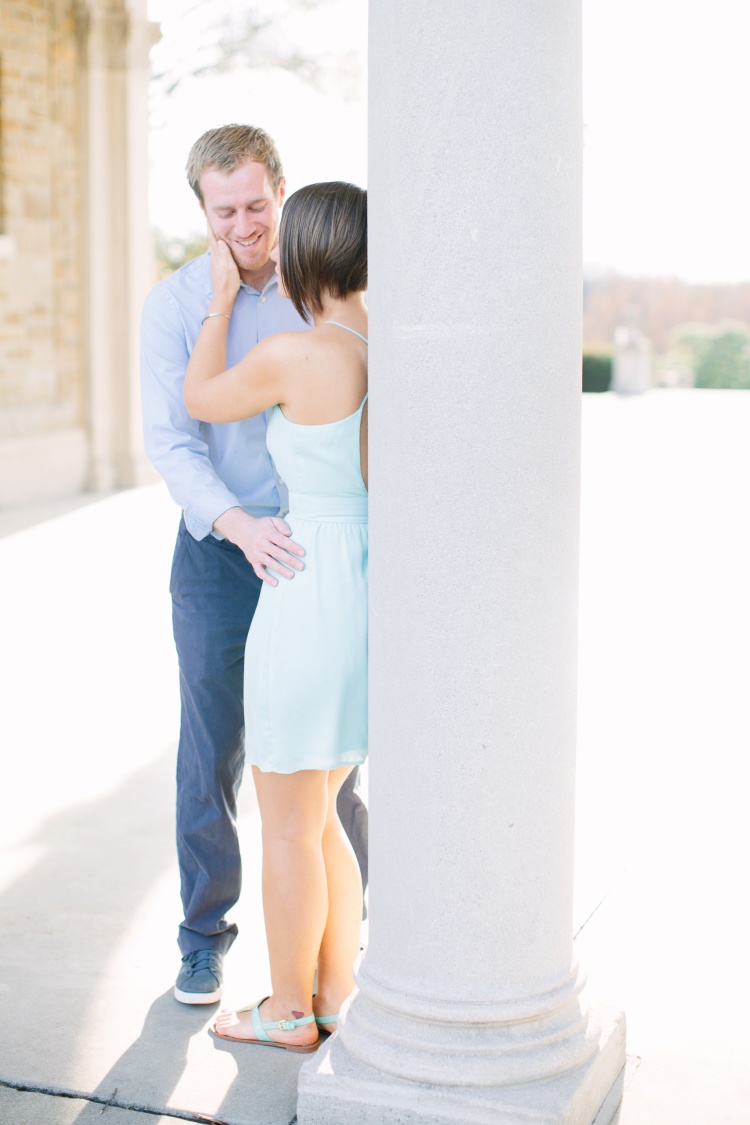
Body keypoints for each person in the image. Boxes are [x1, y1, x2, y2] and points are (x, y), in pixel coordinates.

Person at [140, 125, 368, 1005]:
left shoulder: (321, 295)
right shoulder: (176, 305)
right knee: (212, 752)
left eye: (257, 205)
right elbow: (174, 437)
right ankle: (204, 936)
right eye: (224, 210)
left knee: (328, 766)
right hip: (221, 546)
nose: (243, 224)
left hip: (311, 553)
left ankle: (338, 952)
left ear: (281, 190)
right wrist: (237, 525)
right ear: (202, 209)